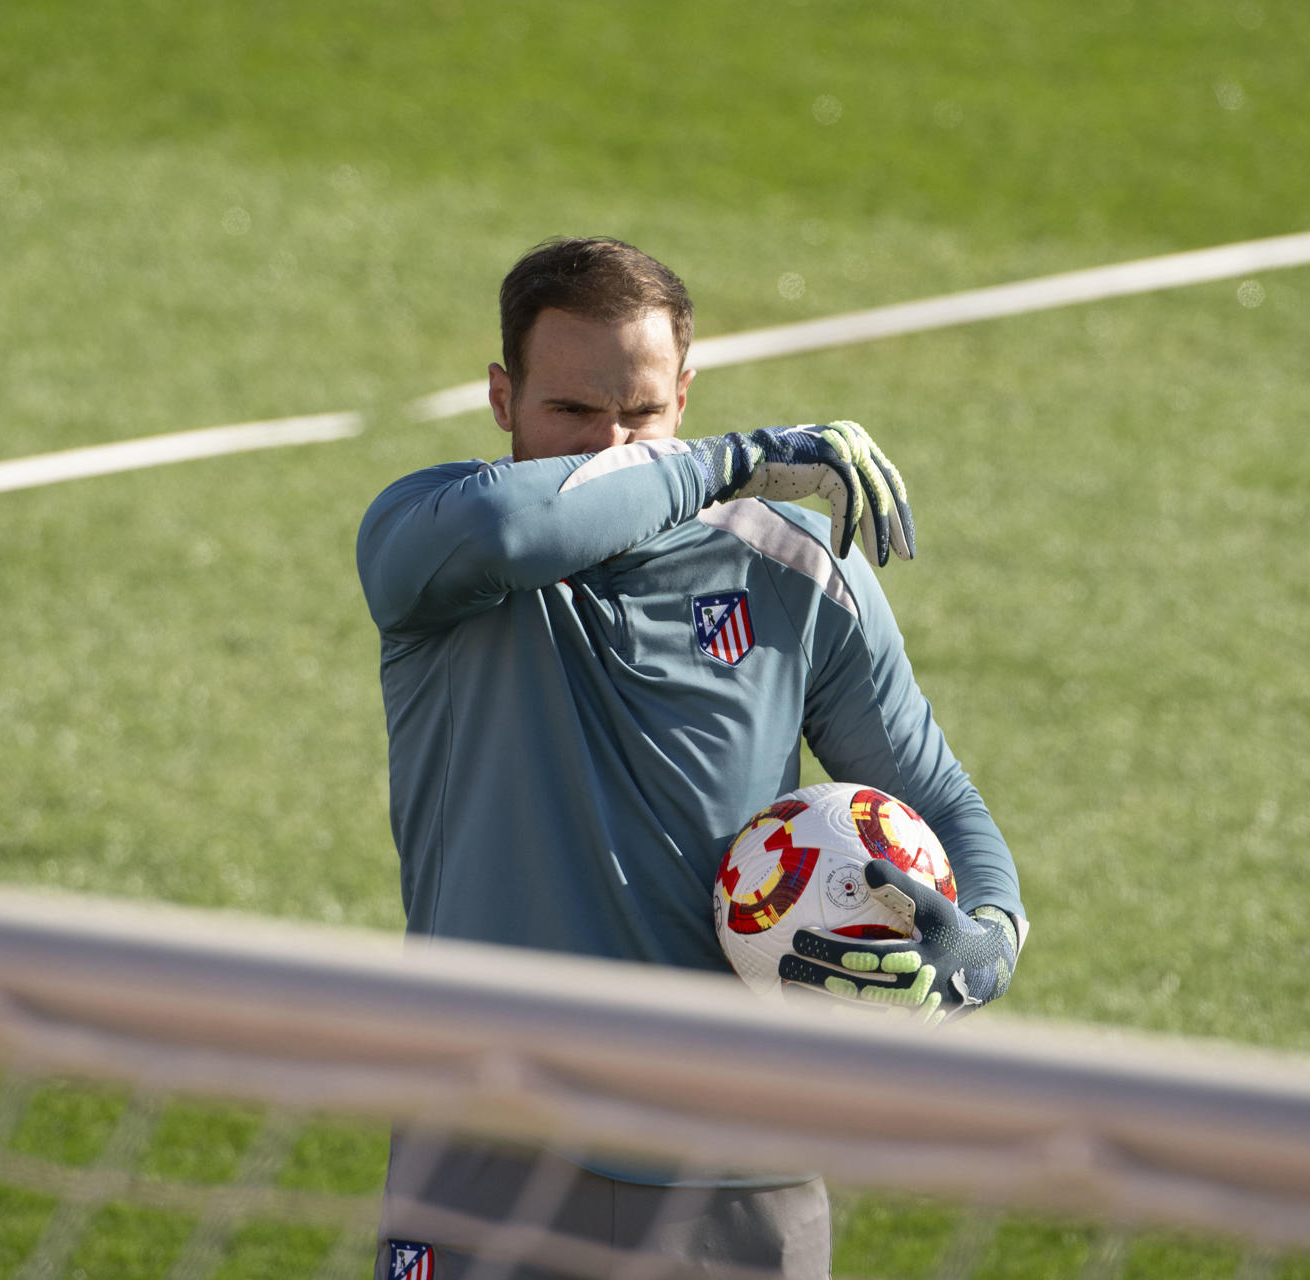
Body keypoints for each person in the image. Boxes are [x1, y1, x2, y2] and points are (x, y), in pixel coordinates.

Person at [356, 237, 1026, 1280]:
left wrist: (990, 933)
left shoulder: (797, 572)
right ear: (500, 396)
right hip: (489, 1140)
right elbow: (514, 528)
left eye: (643, 413)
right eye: (573, 413)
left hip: (737, 1162)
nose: (614, 444)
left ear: (686, 389)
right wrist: (725, 458)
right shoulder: (439, 542)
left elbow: (933, 792)